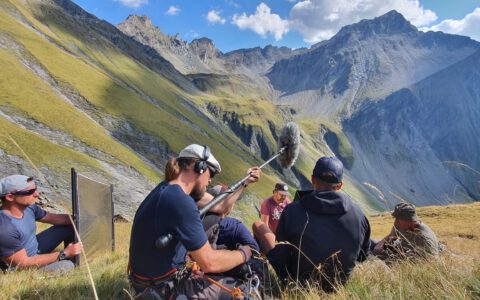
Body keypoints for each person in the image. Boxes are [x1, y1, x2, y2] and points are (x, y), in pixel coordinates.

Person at [128, 144, 256, 299]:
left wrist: (245, 182)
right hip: (165, 289)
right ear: (200, 167)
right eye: (211, 173)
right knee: (242, 289)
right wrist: (244, 253)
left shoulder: (168, 189)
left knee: (212, 217)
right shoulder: (181, 202)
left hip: (145, 282)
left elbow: (221, 206)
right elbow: (210, 263)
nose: (210, 181)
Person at [253, 157, 371, 292]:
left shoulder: (292, 210)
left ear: (313, 180)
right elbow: (362, 257)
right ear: (340, 186)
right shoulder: (359, 215)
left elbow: (282, 259)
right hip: (336, 289)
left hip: (295, 286)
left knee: (258, 225)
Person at [0, 175, 83, 273]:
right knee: (68, 265)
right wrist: (64, 254)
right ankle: (69, 258)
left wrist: (82, 218)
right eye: (30, 192)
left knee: (70, 224)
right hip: (18, 267)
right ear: (10, 197)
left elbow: (55, 219)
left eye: (35, 189)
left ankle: (74, 255)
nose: (36, 194)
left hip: (36, 249)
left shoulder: (29, 208)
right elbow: (22, 264)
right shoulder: (4, 228)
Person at [372, 202, 439, 262]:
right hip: (402, 249)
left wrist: (387, 257)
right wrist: (379, 246)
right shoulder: (400, 224)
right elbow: (391, 236)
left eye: (398, 219)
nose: (395, 222)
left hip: (417, 260)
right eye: (396, 219)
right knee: (372, 242)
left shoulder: (423, 239)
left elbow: (426, 261)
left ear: (410, 221)